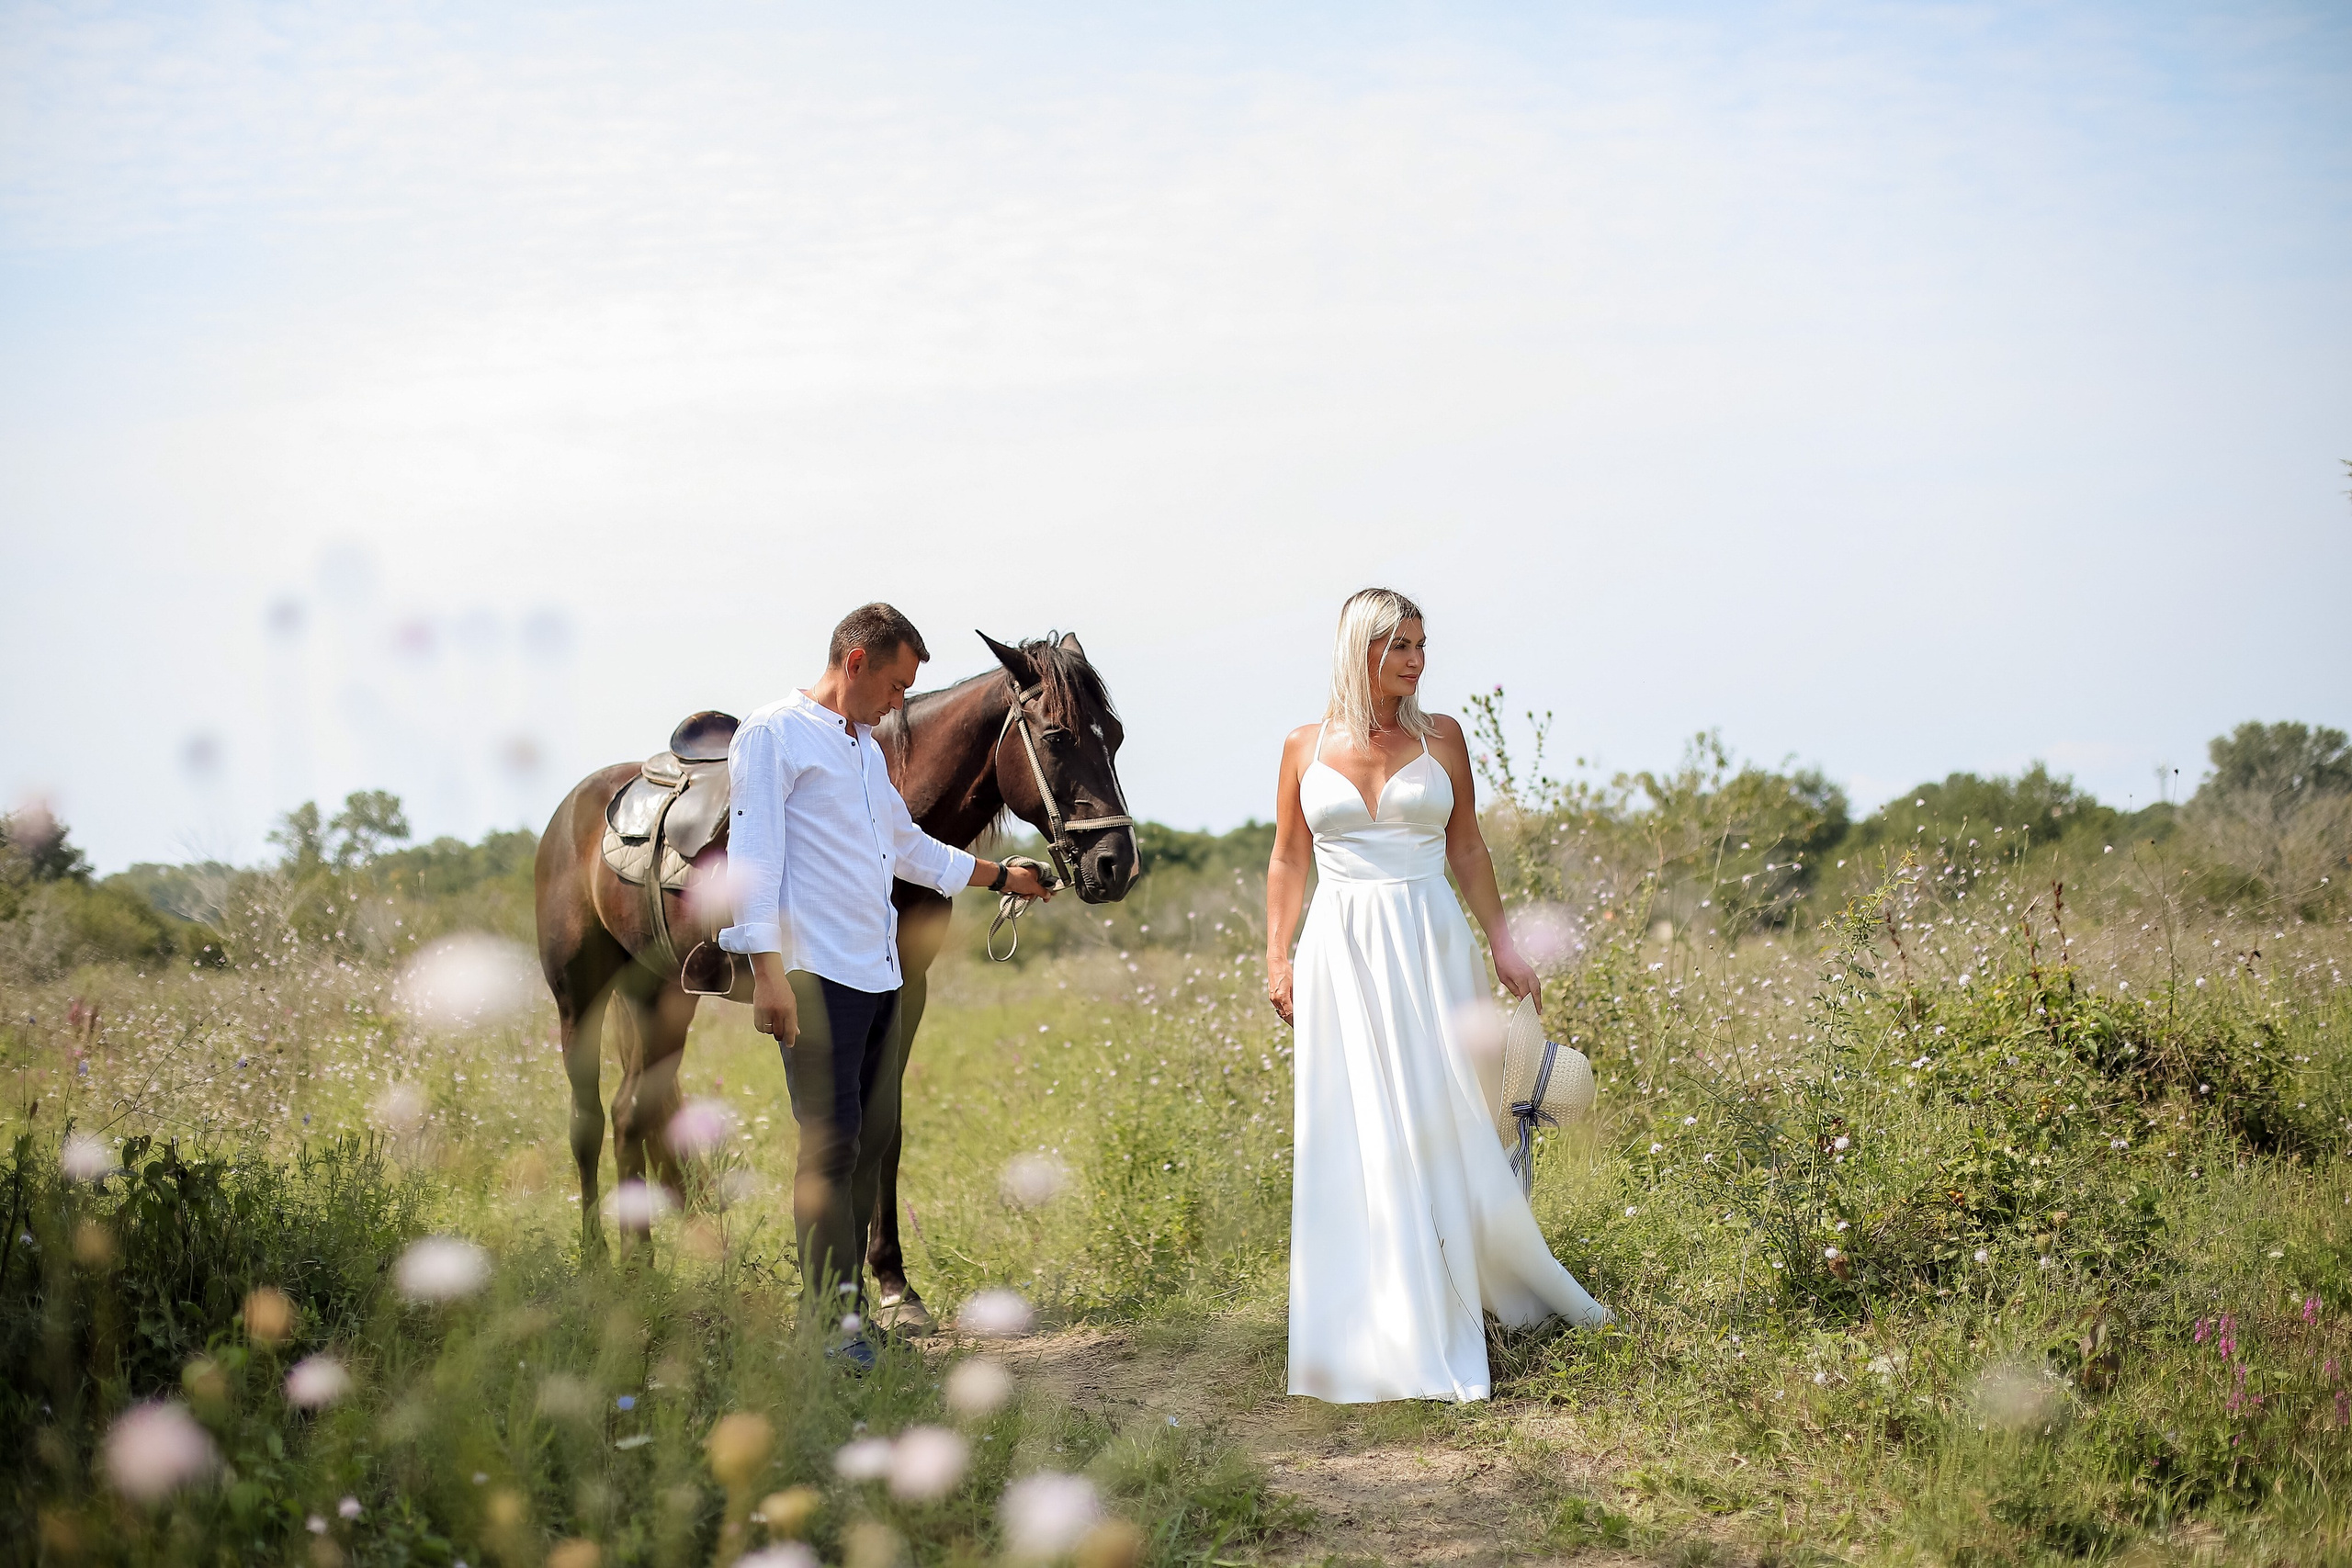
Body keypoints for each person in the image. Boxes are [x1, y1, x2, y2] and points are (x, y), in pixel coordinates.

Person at [1265, 587, 1612, 1404]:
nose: (1418, 660)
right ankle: (1367, 1317)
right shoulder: (1302, 745)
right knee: (1352, 1126)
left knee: (1445, 1116)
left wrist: (1503, 940)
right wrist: (1277, 955)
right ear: (1362, 650)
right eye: (1401, 647)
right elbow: (1288, 858)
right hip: (1341, 951)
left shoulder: (1445, 738)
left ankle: (1463, 1288)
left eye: (1422, 644)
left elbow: (1469, 847)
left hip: (1431, 944)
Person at [718, 603, 1054, 1368]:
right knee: (829, 1149)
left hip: (878, 975)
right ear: (857, 661)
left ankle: (849, 1313)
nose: (901, 702)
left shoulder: (864, 750)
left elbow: (906, 847)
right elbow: (756, 858)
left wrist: (1003, 874)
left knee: (865, 1146)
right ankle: (829, 1329)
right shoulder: (773, 735)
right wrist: (765, 971)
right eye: (898, 684)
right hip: (813, 975)